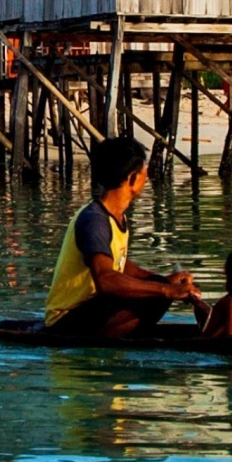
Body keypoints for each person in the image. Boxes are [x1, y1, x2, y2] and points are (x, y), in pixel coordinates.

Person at [44, 135, 201, 342]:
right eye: (145, 173)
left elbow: (119, 263)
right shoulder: (94, 220)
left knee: (156, 290)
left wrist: (163, 281)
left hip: (90, 309)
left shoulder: (115, 215)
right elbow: (106, 280)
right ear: (132, 179)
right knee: (157, 295)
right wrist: (165, 290)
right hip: (66, 321)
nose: (147, 178)